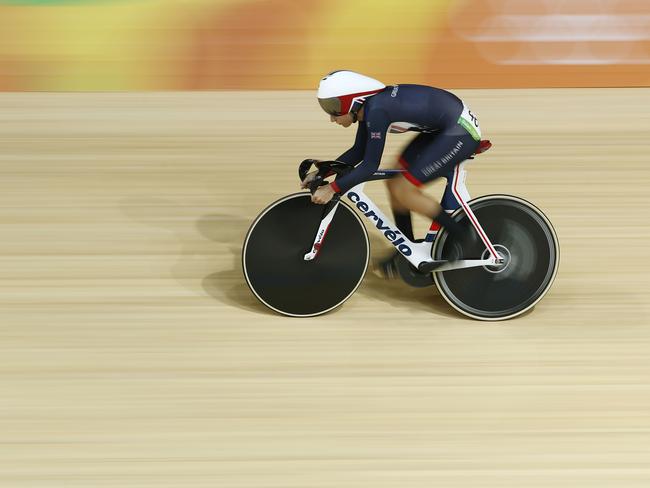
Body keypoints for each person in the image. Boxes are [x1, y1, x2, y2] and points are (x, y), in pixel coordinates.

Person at [302, 70, 483, 277]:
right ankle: (407, 250)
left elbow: (370, 165)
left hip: (459, 131)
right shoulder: (369, 108)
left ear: (353, 102)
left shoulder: (377, 110)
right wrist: (322, 172)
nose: (332, 118)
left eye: (333, 109)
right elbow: (358, 151)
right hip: (441, 129)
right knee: (394, 184)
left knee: (404, 189)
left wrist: (332, 188)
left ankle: (464, 239)